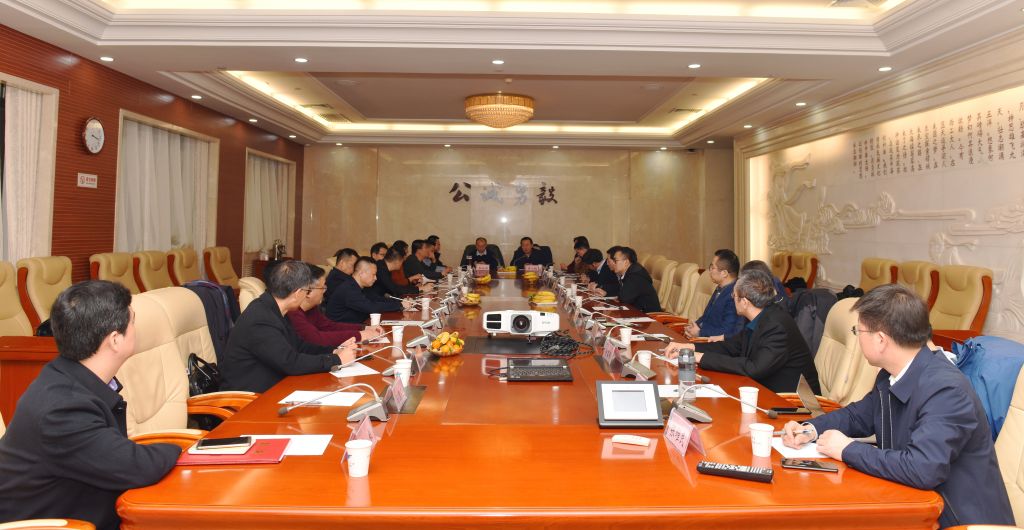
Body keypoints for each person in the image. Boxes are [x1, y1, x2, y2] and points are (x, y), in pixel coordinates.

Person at [782, 284, 1014, 528]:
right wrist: (810, 429)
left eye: (858, 330)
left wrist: (847, 449)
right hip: (911, 504)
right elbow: (858, 416)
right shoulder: (892, 373)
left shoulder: (946, 390)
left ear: (881, 339)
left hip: (957, 521)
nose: (857, 337)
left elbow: (923, 468)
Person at [0, 281, 180, 529]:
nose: (135, 328)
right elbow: (135, 466)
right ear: (115, 340)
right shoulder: (61, 410)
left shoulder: (66, 377)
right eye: (132, 322)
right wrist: (184, 450)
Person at [666, 269, 819, 394]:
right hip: (765, 388)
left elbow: (754, 368)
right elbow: (732, 346)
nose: (732, 299)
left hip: (792, 402)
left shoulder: (776, 326)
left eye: (734, 296)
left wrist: (700, 357)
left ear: (744, 302)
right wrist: (690, 348)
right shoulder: (761, 315)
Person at [221, 261, 358, 393]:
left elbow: (299, 346)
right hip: (249, 398)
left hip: (274, 387)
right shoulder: (261, 319)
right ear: (297, 293)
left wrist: (335, 351)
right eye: (307, 291)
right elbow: (290, 363)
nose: (307, 295)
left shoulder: (276, 309)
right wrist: (336, 360)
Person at [288, 263, 385, 347]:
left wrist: (364, 328)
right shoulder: (293, 313)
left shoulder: (311, 308)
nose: (325, 291)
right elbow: (317, 339)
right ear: (309, 292)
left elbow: (329, 326)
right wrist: (360, 335)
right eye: (322, 287)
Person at [328, 257, 415, 323]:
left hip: (358, 324)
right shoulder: (348, 288)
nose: (376, 278)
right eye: (373, 275)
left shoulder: (359, 286)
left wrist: (401, 301)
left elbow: (376, 299)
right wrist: (399, 305)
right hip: (341, 331)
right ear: (361, 273)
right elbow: (371, 307)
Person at [684, 249, 742, 339]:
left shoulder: (734, 295)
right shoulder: (720, 288)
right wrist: (694, 326)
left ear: (724, 273)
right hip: (702, 336)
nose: (709, 271)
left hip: (712, 342)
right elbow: (706, 316)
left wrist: (700, 333)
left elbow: (727, 331)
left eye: (712, 267)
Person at [610, 246, 662, 312]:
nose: (613, 263)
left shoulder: (635, 275)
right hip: (638, 311)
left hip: (648, 315)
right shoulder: (631, 271)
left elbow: (624, 298)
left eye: (615, 260)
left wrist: (619, 298)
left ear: (626, 262)